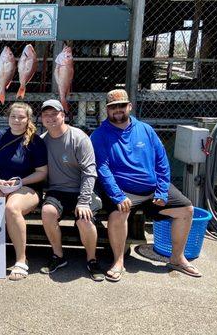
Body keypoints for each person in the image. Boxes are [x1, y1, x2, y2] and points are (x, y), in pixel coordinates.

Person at [91, 89, 199, 281]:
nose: (117, 110)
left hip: (152, 189)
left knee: (187, 209)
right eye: (112, 107)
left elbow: (162, 162)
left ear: (129, 107)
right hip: (124, 191)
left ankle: (177, 258)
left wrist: (162, 191)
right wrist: (118, 196)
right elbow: (103, 168)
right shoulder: (99, 135)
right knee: (117, 214)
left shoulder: (146, 130)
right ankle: (118, 261)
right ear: (107, 110)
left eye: (121, 106)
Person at [39, 99, 104, 281]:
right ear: (42, 119)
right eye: (46, 115)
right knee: (47, 212)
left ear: (63, 115)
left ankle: (92, 260)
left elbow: (90, 172)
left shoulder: (79, 137)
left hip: (81, 190)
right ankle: (58, 256)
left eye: (54, 114)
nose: (50, 118)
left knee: (84, 220)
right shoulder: (42, 141)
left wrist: (83, 201)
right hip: (57, 191)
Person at [0, 102, 48, 281]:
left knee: (11, 208)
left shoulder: (36, 141)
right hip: (0, 183)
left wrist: (20, 182)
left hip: (27, 186)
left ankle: (21, 260)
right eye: (13, 116)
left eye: (21, 117)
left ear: (28, 119)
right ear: (8, 118)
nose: (17, 120)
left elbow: (42, 173)